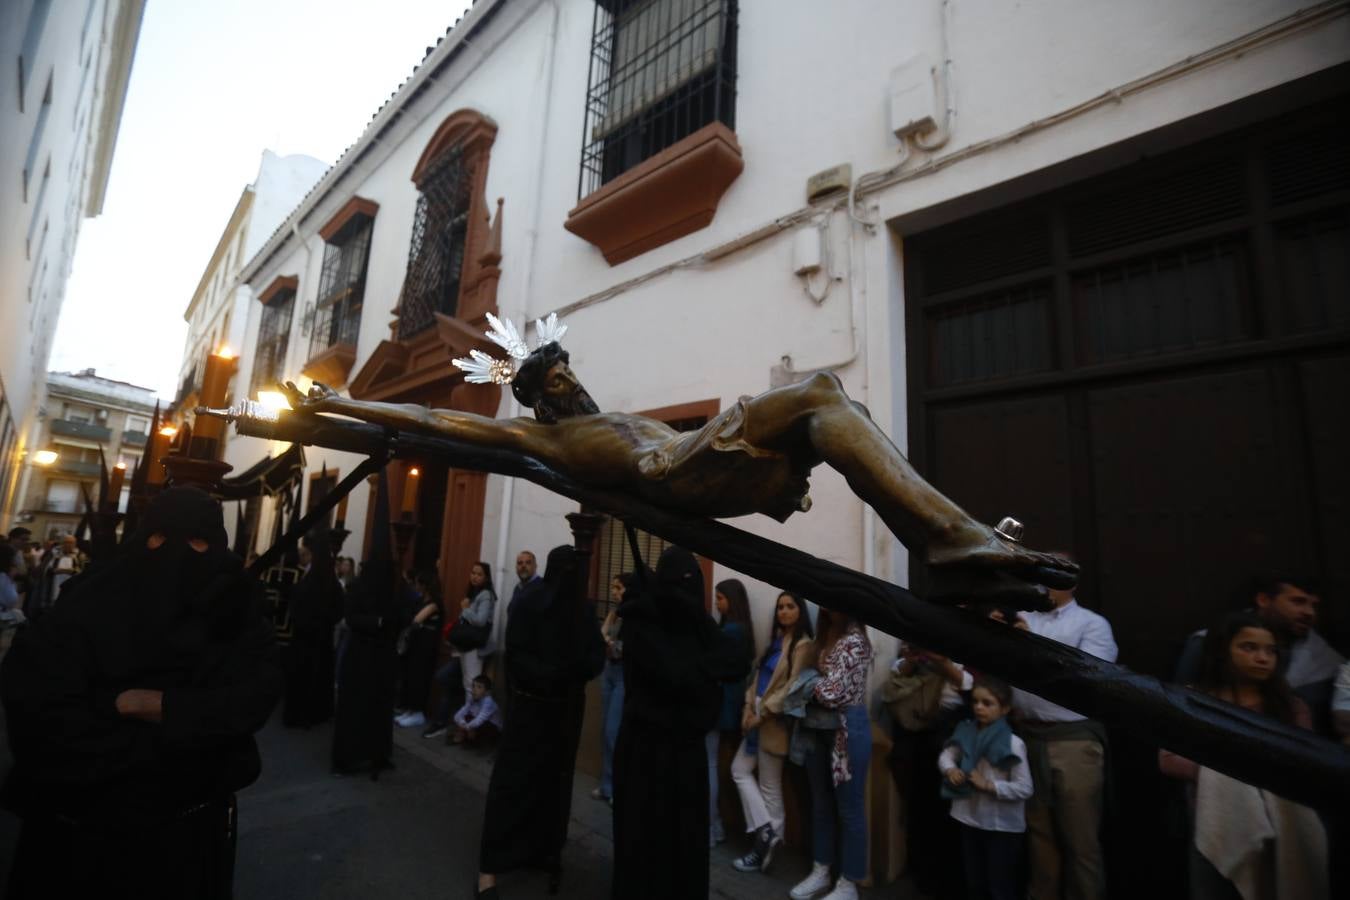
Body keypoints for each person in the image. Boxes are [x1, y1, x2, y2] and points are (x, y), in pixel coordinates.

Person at [281, 325, 1077, 604]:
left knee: (838, 410)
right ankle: (952, 545)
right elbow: (429, 415)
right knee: (819, 395)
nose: (567, 382)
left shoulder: (605, 415)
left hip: (699, 466)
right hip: (675, 473)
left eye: (564, 370)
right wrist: (342, 405)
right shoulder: (546, 441)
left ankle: (949, 548)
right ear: (540, 404)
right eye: (552, 383)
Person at [0, 486, 282, 899]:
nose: (178, 556)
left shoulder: (235, 613)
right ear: (143, 537)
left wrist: (152, 704)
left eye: (198, 542)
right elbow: (38, 706)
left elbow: (250, 698)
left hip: (182, 840)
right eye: (160, 539)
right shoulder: (87, 602)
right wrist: (175, 742)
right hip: (74, 836)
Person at [610, 546, 751, 900]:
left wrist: (700, 666)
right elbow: (670, 673)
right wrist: (703, 673)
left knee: (682, 846)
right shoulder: (643, 622)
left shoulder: (698, 626)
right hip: (645, 753)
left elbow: (736, 661)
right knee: (643, 843)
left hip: (684, 757)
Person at [1160, 611, 1326, 899]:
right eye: (1249, 647)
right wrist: (1233, 773)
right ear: (1222, 650)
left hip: (1281, 825)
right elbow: (1169, 758)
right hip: (1212, 825)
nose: (1262, 658)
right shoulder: (1192, 699)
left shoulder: (1289, 706)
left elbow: (1306, 759)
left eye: (1270, 650)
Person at [476, 545, 604, 898]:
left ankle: (539, 851)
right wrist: (552, 675)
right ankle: (490, 866)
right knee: (513, 784)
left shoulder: (584, 610)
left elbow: (594, 658)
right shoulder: (532, 602)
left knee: (550, 789)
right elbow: (517, 655)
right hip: (530, 712)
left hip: (563, 717)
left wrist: (575, 670)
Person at [1011, 574, 1117, 900]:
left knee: (1080, 840)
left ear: (1071, 583)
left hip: (1072, 741)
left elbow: (1086, 678)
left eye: (1050, 578)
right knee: (1039, 839)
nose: (1042, 585)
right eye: (1039, 578)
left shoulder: (1092, 624)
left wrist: (1029, 645)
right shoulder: (1021, 619)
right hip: (1028, 738)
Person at [1176, 575, 1344, 735]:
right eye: (1298, 601)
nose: (1309, 612)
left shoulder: (1325, 661)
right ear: (1263, 600)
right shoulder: (1203, 645)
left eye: (1314, 605)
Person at [731, 590, 816, 874]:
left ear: (800, 611)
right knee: (739, 770)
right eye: (780, 607)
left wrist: (762, 713)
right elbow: (757, 679)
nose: (783, 611)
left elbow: (792, 688)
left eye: (790, 606)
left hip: (773, 721)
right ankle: (767, 832)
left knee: (770, 786)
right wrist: (747, 708)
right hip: (754, 715)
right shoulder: (776, 642)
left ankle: (762, 850)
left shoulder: (803, 645)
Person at [791, 609, 874, 900]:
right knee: (821, 804)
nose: (828, 605)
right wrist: (811, 682)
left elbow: (833, 692)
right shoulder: (821, 637)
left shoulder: (856, 641)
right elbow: (811, 684)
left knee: (849, 809)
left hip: (846, 728)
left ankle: (849, 884)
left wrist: (807, 682)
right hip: (817, 727)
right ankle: (821, 871)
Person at [885, 641, 973, 900]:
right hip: (923, 732)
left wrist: (944, 664)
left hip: (961, 729)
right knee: (924, 809)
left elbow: (981, 686)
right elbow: (899, 671)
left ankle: (953, 882)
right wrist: (912, 660)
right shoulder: (923, 631)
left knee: (954, 816)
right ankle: (926, 878)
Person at [937, 675, 1034, 900]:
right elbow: (947, 755)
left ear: (1005, 708)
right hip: (970, 818)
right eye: (976, 702)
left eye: (987, 703)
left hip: (1001, 826)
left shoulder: (1013, 744)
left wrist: (990, 785)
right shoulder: (966, 732)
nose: (979, 707)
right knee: (975, 881)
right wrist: (951, 770)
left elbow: (1024, 788)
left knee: (1000, 885)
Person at [331, 558, 405, 777]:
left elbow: (399, 617)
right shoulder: (356, 590)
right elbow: (352, 618)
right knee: (354, 710)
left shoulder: (391, 593)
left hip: (383, 660)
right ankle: (347, 758)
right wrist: (378, 622)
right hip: (359, 659)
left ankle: (378, 754)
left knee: (380, 709)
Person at [709, 578, 755, 846]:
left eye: (720, 598)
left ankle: (715, 826)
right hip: (729, 701)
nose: (716, 603)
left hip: (723, 702)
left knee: (714, 764)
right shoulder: (736, 628)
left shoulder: (732, 631)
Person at [281, 530, 342, 728]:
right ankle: (312, 713)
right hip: (318, 638)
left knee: (303, 677)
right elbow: (339, 608)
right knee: (313, 677)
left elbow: (297, 604)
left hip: (305, 638)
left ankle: (301, 713)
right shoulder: (328, 581)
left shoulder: (312, 580)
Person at [593, 573, 633, 803]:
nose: (614, 592)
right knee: (606, 731)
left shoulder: (632, 615)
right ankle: (607, 785)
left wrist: (609, 644)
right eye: (612, 587)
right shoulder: (616, 613)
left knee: (613, 732)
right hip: (608, 672)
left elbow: (620, 649)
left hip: (622, 676)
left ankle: (617, 787)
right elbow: (602, 637)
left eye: (618, 588)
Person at [395, 568, 444, 730]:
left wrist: (415, 621)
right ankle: (409, 709)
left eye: (418, 584)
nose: (416, 587)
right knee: (410, 677)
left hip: (425, 648)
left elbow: (416, 619)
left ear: (425, 586)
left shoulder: (434, 604)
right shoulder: (420, 601)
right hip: (415, 646)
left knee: (419, 679)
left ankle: (417, 712)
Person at [452, 674, 504, 744]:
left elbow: (480, 719)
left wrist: (466, 727)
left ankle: (477, 741)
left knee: (475, 725)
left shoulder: (488, 702)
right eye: (473, 686)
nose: (474, 690)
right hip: (479, 721)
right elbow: (459, 714)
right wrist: (463, 723)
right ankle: (466, 736)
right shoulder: (473, 699)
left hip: (492, 727)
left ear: (487, 692)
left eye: (479, 687)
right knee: (465, 717)